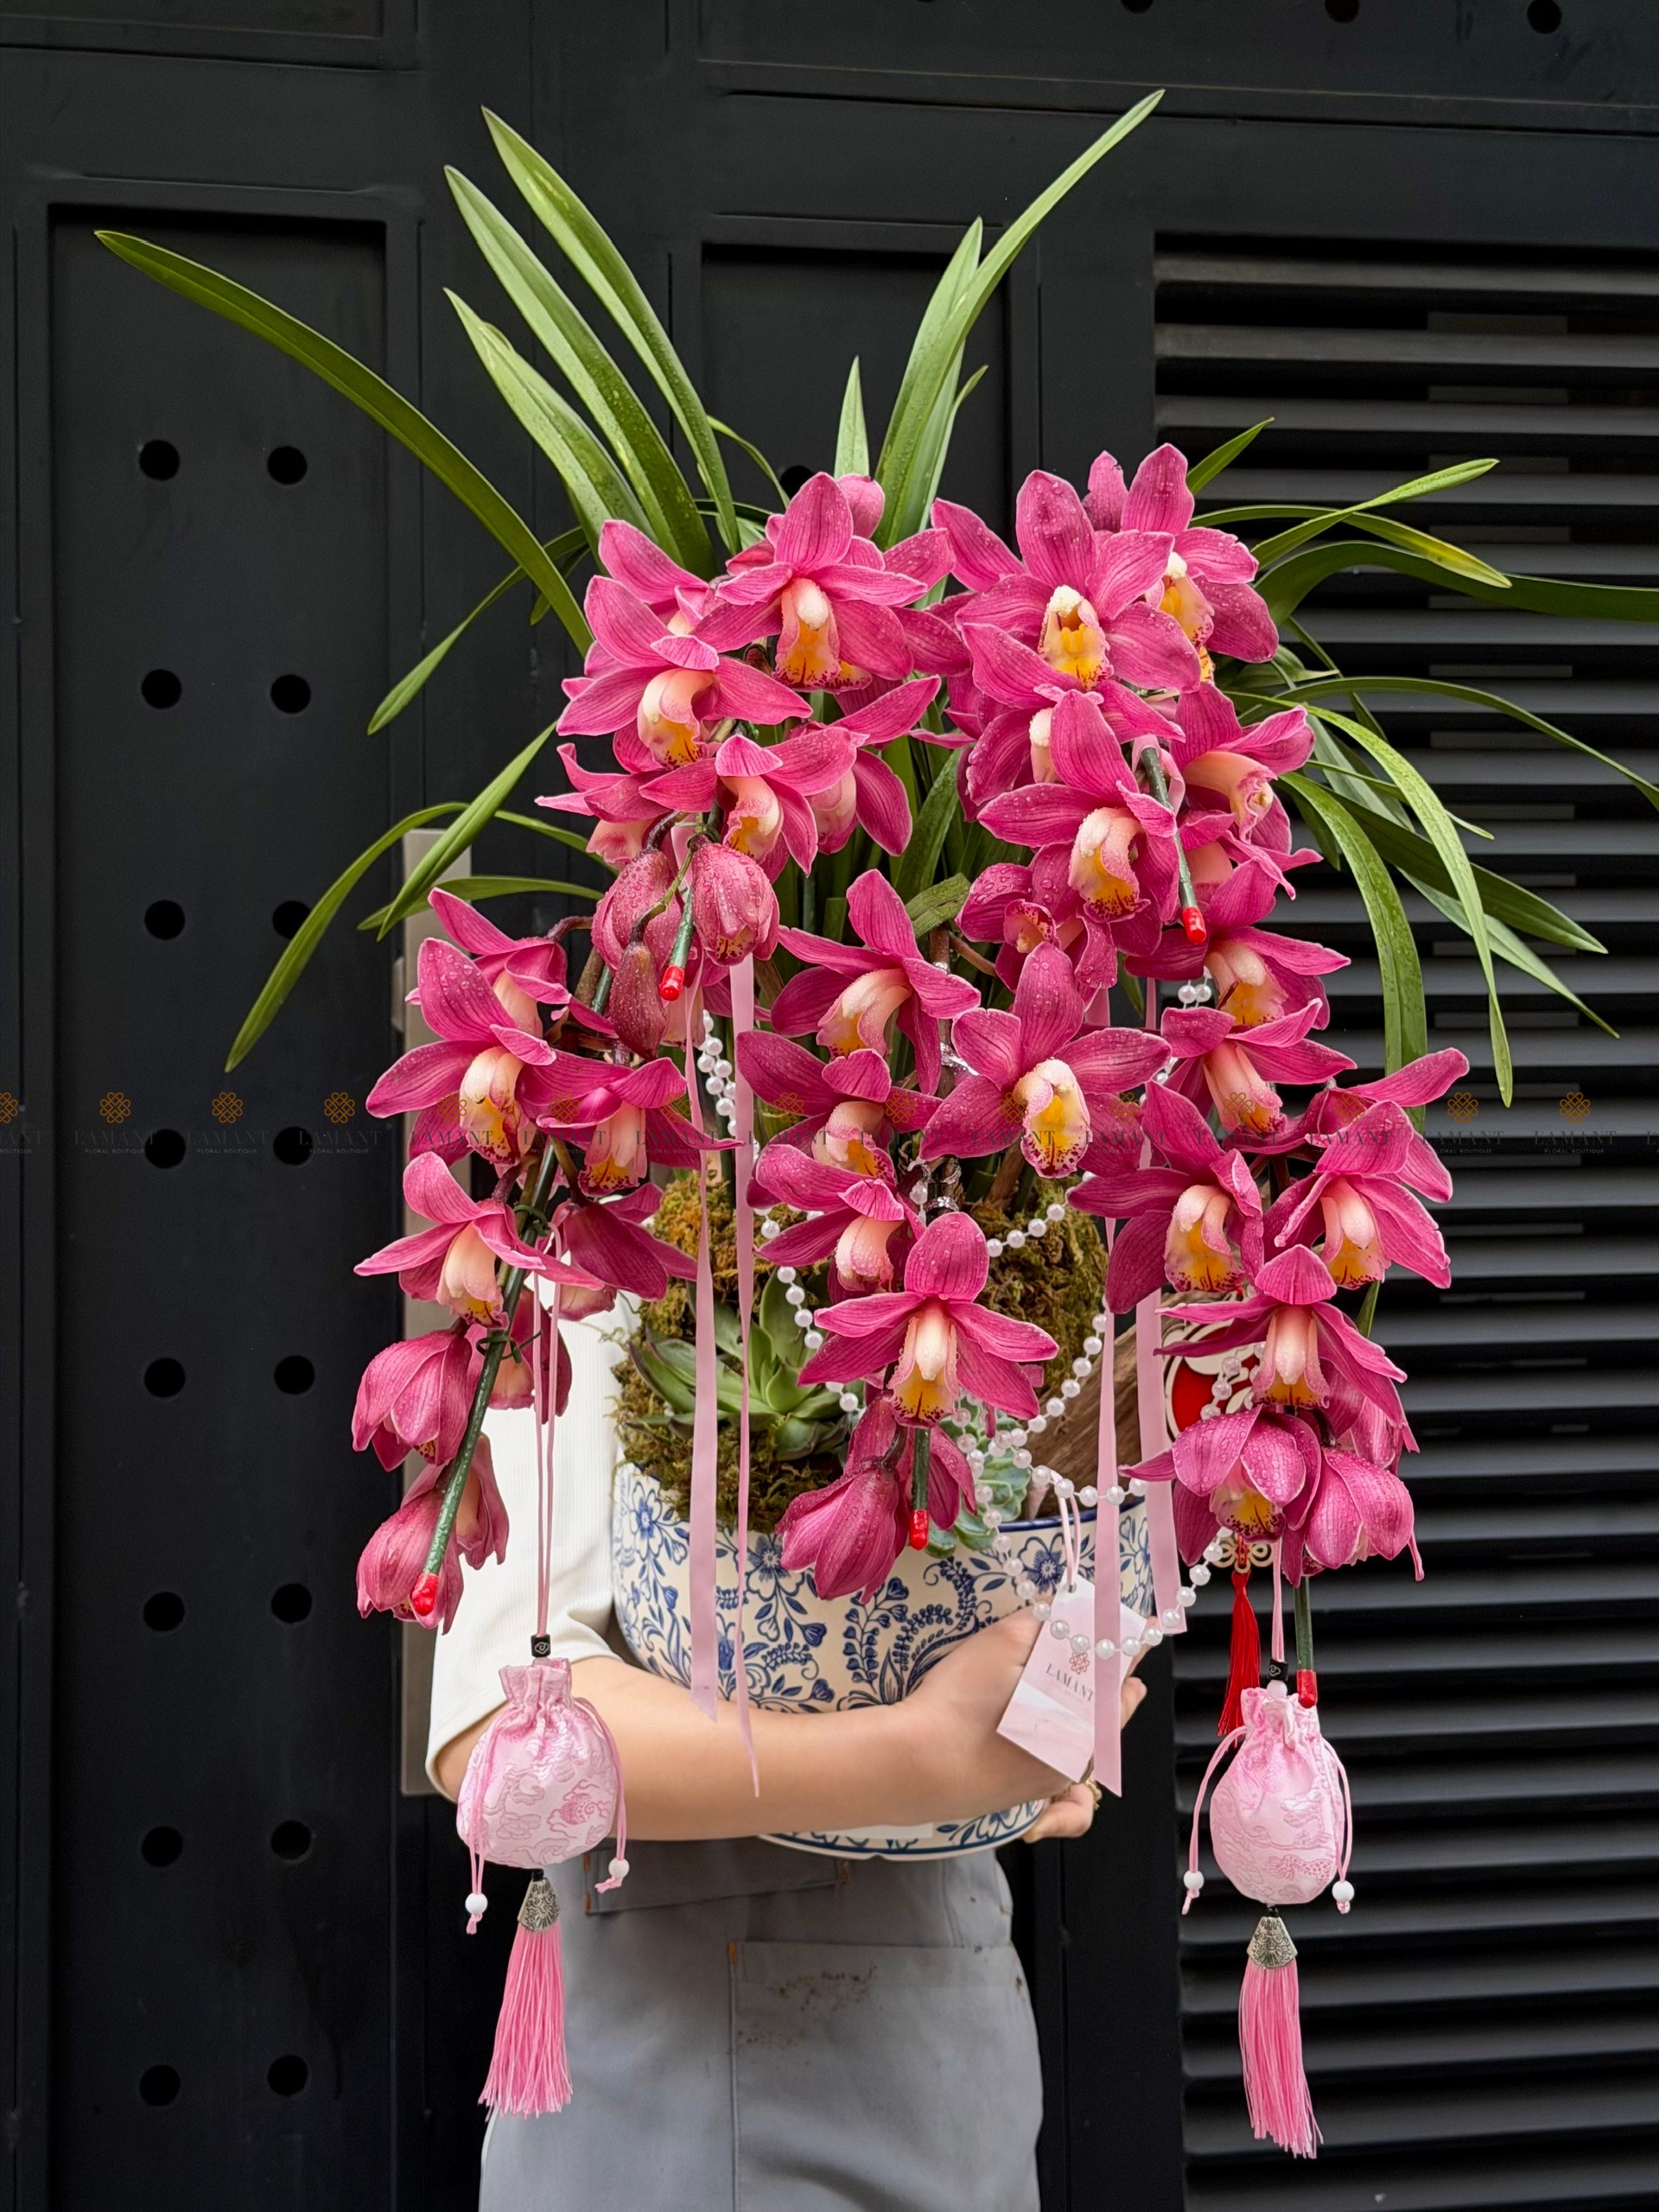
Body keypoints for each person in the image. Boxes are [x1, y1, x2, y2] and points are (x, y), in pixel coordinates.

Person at [429, 1305, 1147, 2211]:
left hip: (953, 2008)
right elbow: (498, 1731)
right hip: (683, 2054)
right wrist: (916, 1759)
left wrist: (1040, 1734)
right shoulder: (587, 1268)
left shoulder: (996, 1252)